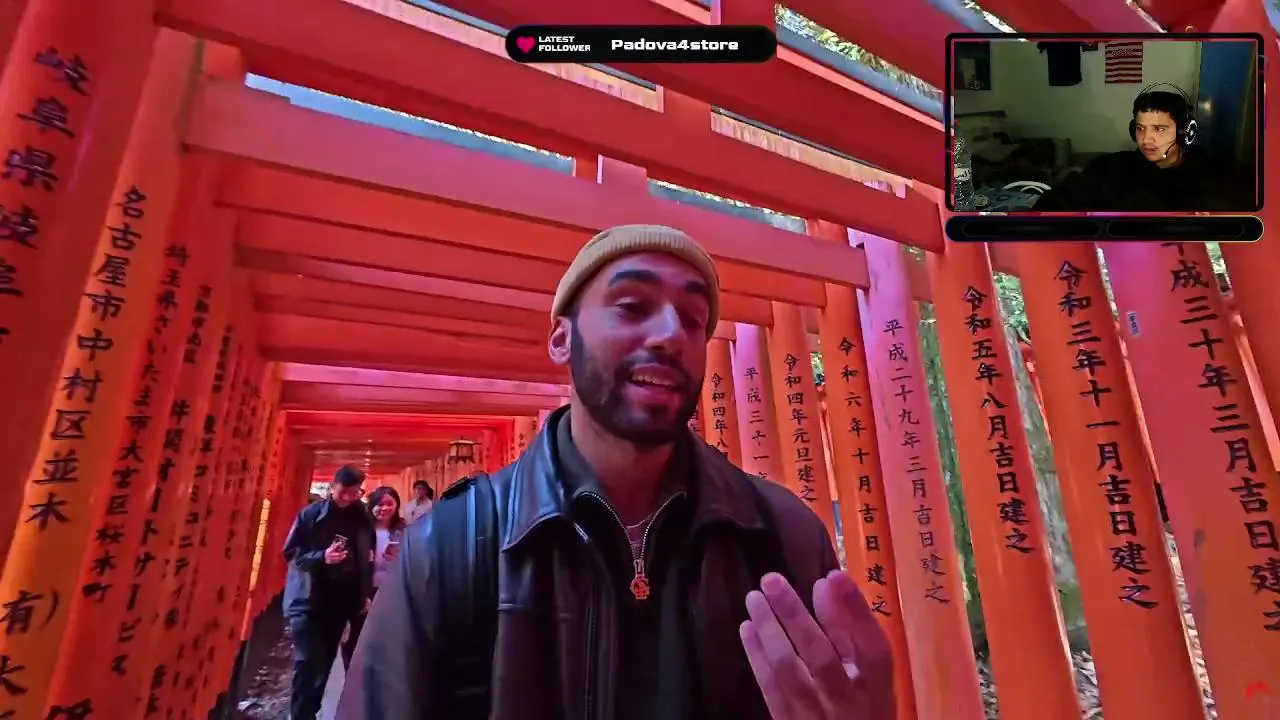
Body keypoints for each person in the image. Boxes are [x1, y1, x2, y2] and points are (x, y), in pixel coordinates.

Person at [338, 225, 894, 719]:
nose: (671, 334)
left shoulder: (782, 535)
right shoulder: (453, 546)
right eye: (632, 306)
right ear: (562, 339)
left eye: (694, 320)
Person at [1033, 86, 1251, 212]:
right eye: (1140, 128)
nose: (1146, 139)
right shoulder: (1108, 169)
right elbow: (1054, 204)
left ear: (1186, 132)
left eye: (1159, 129)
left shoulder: (1219, 179)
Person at [283, 464, 376, 720]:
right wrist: (322, 557)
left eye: (354, 493)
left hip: (340, 602)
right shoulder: (311, 514)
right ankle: (300, 715)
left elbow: (367, 560)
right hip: (308, 600)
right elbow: (292, 554)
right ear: (332, 487)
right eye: (342, 491)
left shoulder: (362, 517)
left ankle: (310, 713)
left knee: (324, 662)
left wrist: (364, 594)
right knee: (308, 661)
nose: (347, 497)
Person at [341, 485, 405, 668]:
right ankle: (352, 675)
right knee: (356, 637)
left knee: (386, 638)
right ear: (371, 506)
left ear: (397, 505)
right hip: (362, 590)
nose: (384, 508)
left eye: (389, 504)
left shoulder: (403, 529)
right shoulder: (360, 528)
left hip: (391, 591)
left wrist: (400, 557)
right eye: (379, 504)